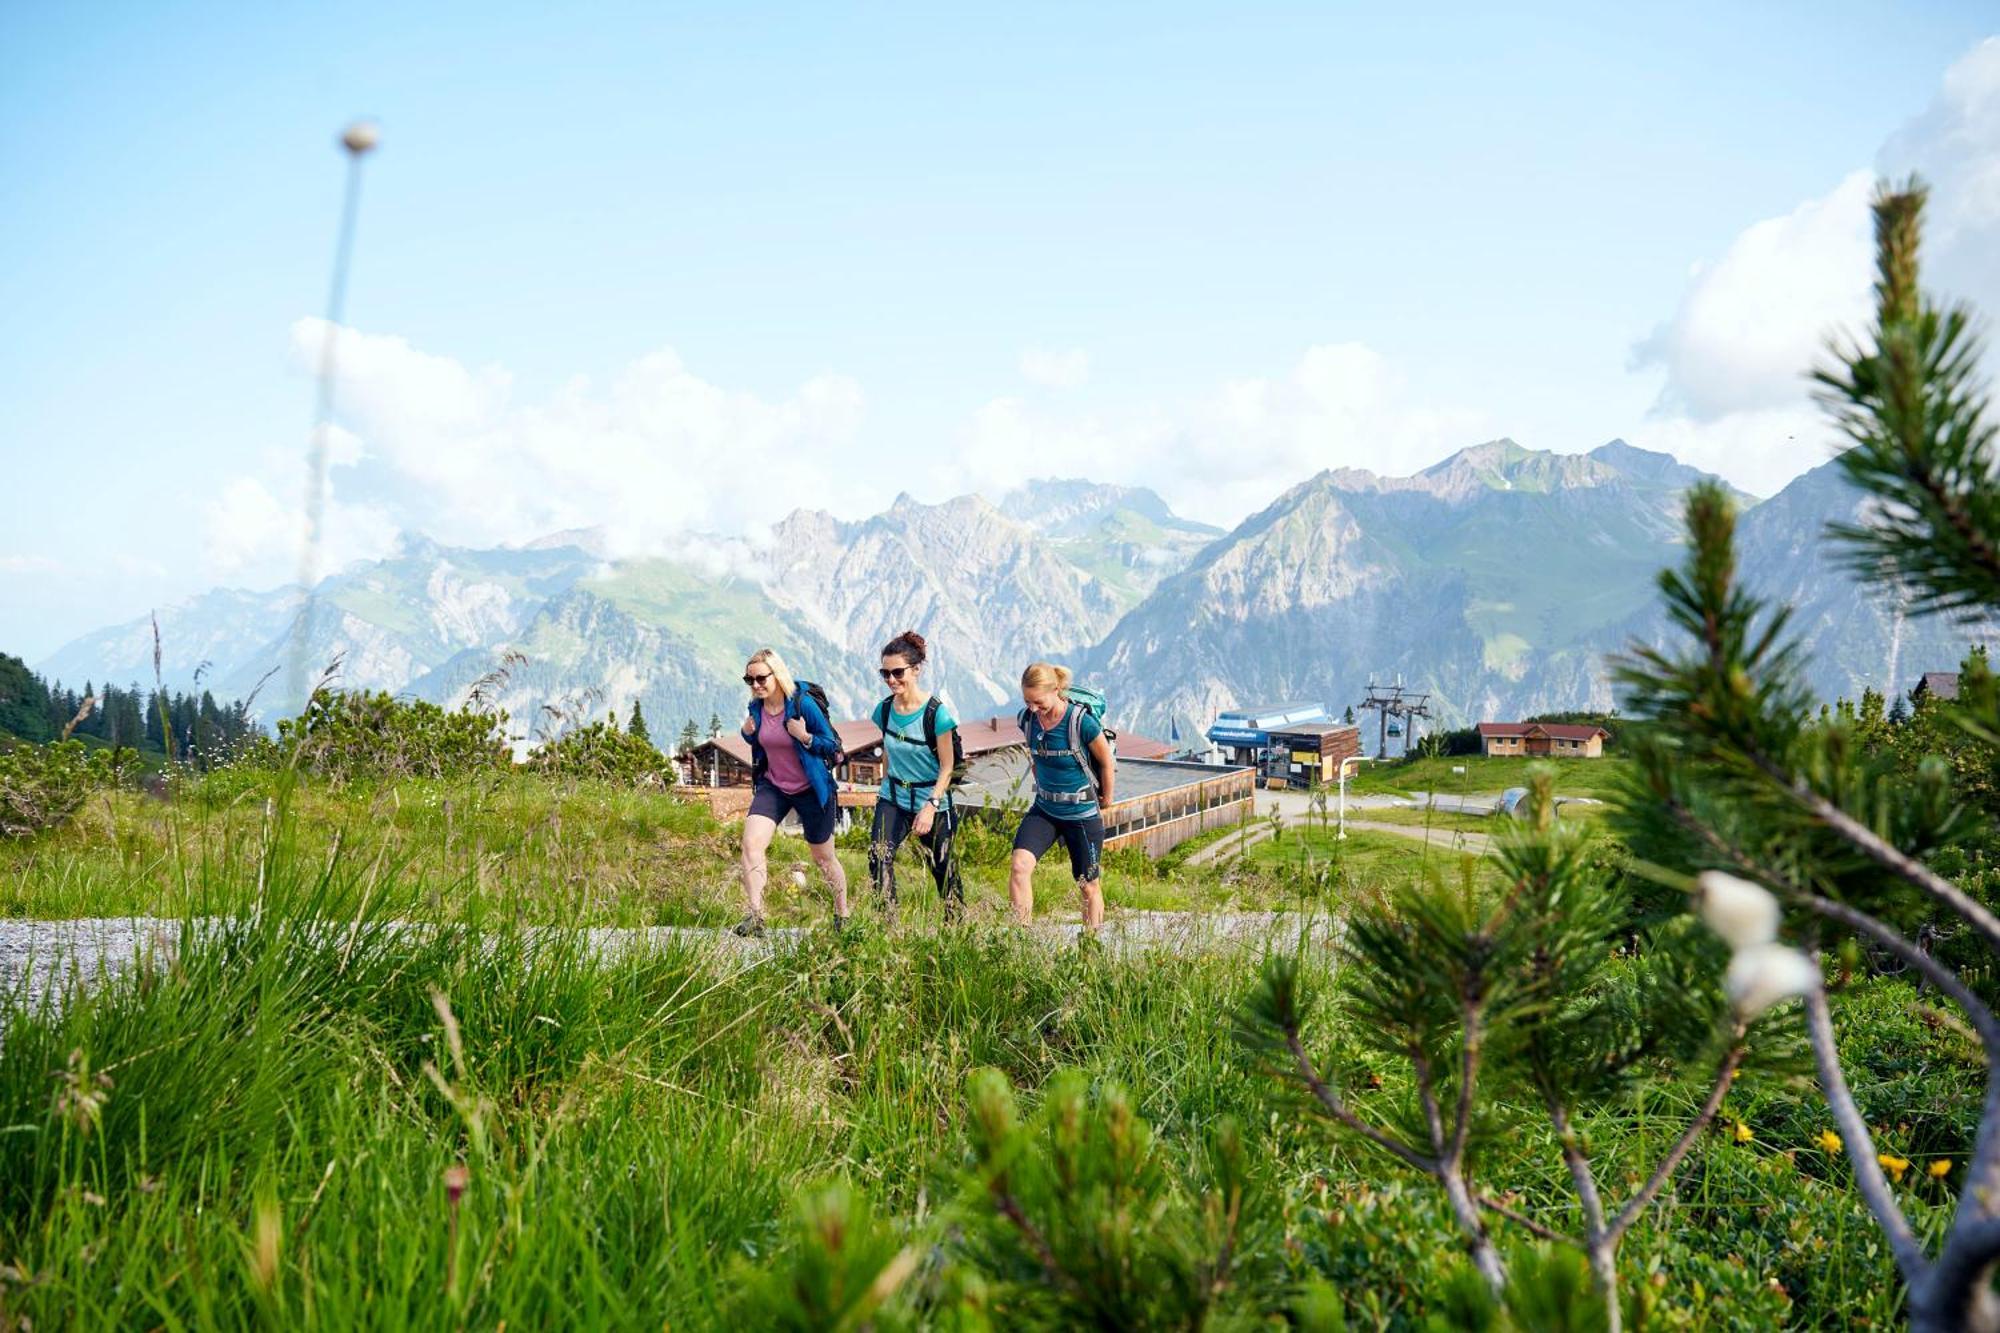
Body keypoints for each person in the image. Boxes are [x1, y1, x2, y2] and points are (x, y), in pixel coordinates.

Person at [733, 648, 848, 936]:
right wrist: (748, 732)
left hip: (811, 788)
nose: (756, 685)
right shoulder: (756, 708)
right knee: (751, 844)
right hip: (774, 785)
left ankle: (842, 913)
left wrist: (805, 736)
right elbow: (757, 738)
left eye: (761, 678)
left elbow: (832, 746)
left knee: (823, 858)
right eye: (750, 680)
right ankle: (756, 915)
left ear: (777, 674)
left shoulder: (802, 705)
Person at [1008, 662, 1114, 931]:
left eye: (1038, 702)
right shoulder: (1027, 720)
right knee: (1020, 866)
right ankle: (1021, 942)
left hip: (1081, 814)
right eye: (1027, 701)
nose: (1032, 708)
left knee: (1088, 884)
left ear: (1056, 689)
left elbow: (1106, 761)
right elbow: (1035, 757)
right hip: (1045, 810)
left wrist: (1107, 798)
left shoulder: (1081, 723)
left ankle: (1090, 950)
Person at [868, 630, 963, 924]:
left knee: (942, 867)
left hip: (931, 799)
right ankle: (889, 928)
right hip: (893, 796)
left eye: (897, 672)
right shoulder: (883, 711)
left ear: (916, 670)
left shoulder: (937, 715)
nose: (891, 680)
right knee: (877, 858)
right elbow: (888, 752)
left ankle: (956, 929)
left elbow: (947, 766)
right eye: (885, 674)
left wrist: (931, 806)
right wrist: (883, 787)